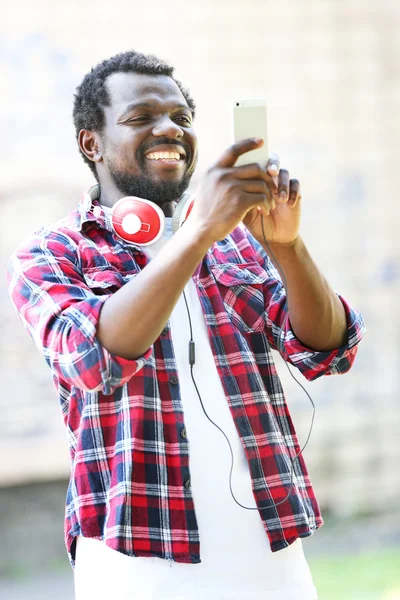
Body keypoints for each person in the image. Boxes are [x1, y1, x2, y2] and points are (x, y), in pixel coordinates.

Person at [7, 50, 365, 600]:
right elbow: (92, 357)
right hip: (136, 558)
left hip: (268, 551)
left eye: (180, 117)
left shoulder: (234, 239)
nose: (168, 129)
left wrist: (288, 248)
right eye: (140, 118)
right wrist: (197, 233)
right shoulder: (53, 254)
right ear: (91, 143)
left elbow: (328, 351)